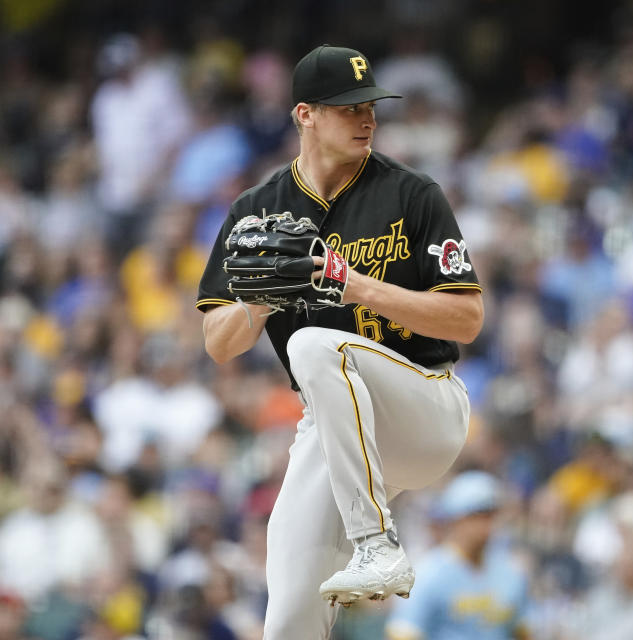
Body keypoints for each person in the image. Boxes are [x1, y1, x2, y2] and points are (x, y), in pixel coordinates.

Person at [196, 44, 483, 640]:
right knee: (289, 613)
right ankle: (361, 544)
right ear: (305, 114)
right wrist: (260, 298)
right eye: (349, 107)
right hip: (334, 425)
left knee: (313, 345)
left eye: (371, 105)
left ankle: (376, 543)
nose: (367, 118)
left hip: (423, 406)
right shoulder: (257, 211)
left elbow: (467, 319)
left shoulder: (412, 194)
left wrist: (349, 283)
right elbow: (219, 344)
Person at [385, 471, 531, 640]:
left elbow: (523, 632)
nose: (486, 525)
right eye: (478, 515)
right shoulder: (428, 574)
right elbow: (402, 633)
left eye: (491, 515)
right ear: (456, 519)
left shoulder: (510, 573)